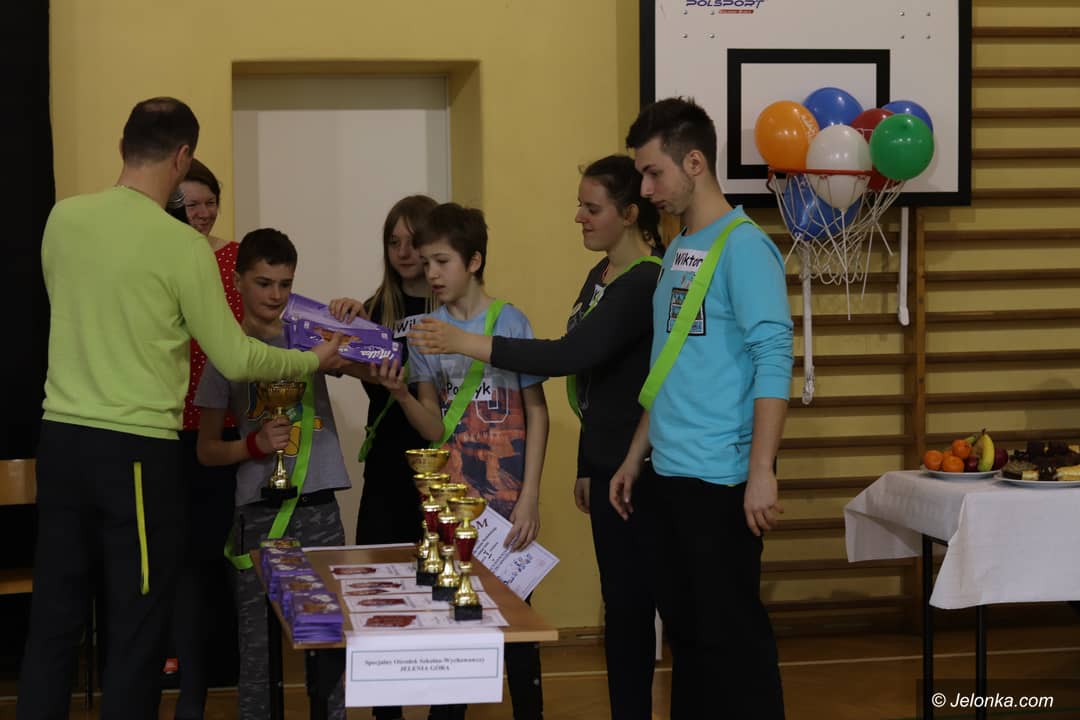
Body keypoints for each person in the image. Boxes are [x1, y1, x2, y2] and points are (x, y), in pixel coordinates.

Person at [20, 96, 348, 720]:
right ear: (182, 157)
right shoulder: (181, 245)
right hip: (134, 452)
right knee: (138, 620)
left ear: (122, 146)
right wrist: (312, 359)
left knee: (55, 618)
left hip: (59, 439)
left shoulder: (62, 218)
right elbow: (238, 357)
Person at [408, 156, 662, 720]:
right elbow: (594, 381)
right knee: (619, 608)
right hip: (604, 466)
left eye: (591, 207)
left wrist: (464, 342)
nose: (578, 216)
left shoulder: (646, 280)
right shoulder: (600, 277)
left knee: (625, 606)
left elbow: (568, 356)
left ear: (629, 213)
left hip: (638, 469)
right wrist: (587, 463)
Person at [610, 97, 793, 720]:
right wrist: (636, 456)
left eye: (653, 172)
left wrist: (761, 471)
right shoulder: (680, 248)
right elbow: (670, 367)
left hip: (721, 480)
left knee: (734, 645)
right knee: (688, 644)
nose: (645, 188)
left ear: (695, 163)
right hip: (668, 475)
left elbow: (774, 359)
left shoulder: (744, 248)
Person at [371, 203, 549, 720]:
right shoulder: (426, 331)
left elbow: (537, 412)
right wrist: (400, 394)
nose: (431, 273)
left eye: (441, 261)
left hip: (508, 505)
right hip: (451, 506)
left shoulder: (510, 320)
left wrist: (530, 497)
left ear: (473, 261)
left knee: (517, 630)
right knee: (455, 624)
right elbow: (434, 427)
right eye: (426, 262)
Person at [195, 228, 353, 720]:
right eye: (264, 283)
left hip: (320, 506)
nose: (276, 295)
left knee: (326, 641)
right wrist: (254, 445)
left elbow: (377, 363)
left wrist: (353, 319)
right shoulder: (225, 352)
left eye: (285, 284)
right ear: (238, 281)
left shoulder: (309, 338)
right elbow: (206, 451)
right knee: (258, 647)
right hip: (259, 513)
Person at [328, 194, 436, 720]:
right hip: (387, 464)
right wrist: (342, 325)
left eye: (414, 241)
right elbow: (337, 361)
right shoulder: (373, 309)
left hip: (441, 465)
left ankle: (444, 702)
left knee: (439, 589)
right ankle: (385, 710)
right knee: (378, 590)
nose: (404, 252)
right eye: (394, 242)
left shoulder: (452, 307)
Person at [167, 158, 244, 718]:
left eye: (209, 201)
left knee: (227, 553)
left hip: (228, 425)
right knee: (182, 558)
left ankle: (236, 669)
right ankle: (186, 678)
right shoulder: (162, 255)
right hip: (170, 425)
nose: (202, 212)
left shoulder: (236, 258)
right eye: (190, 203)